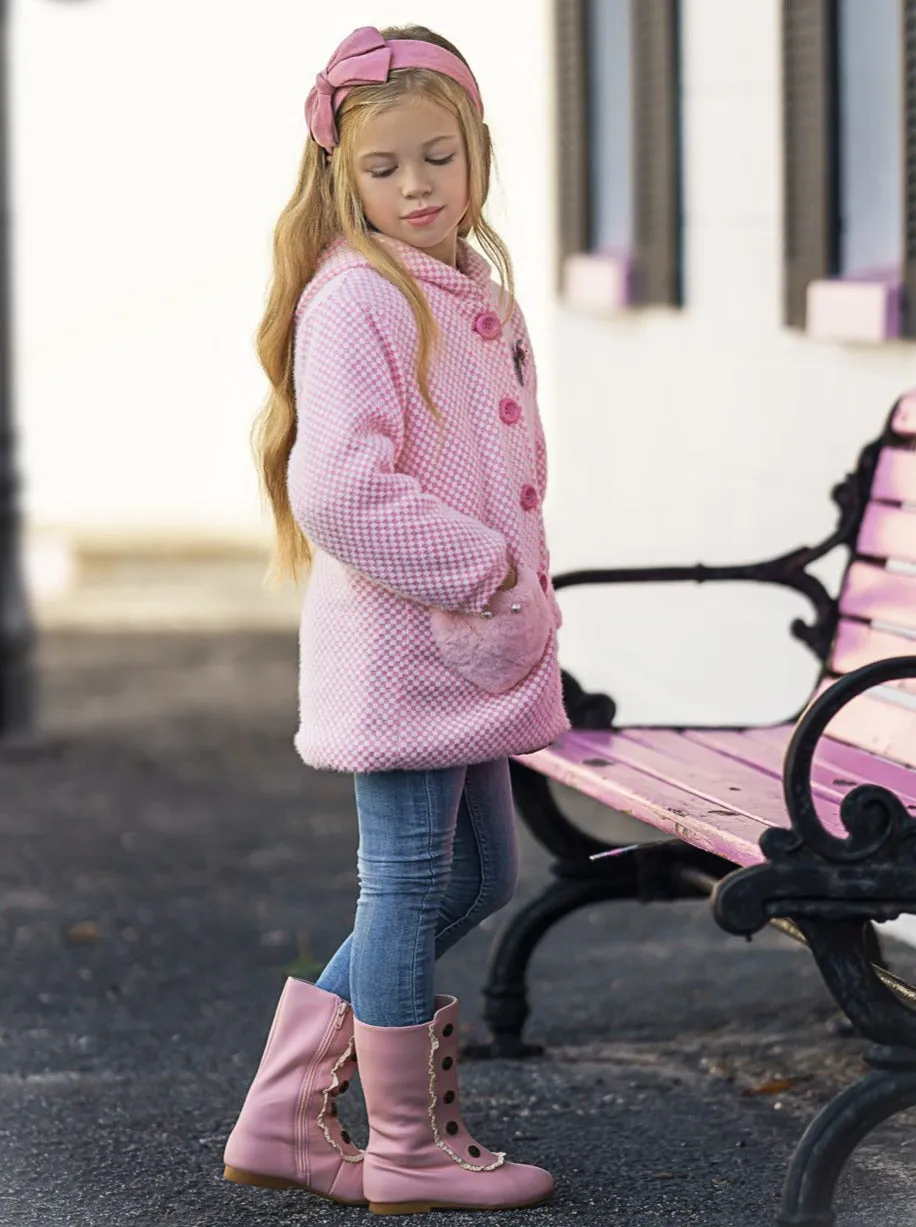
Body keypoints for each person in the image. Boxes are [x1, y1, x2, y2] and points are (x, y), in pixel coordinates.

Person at [222, 23, 569, 1215]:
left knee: (476, 876)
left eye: (439, 157)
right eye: (385, 168)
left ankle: (282, 1112)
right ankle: (407, 1147)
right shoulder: (360, 298)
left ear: (477, 154)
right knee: (412, 881)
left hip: (463, 654)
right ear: (339, 175)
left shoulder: (468, 288)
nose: (417, 186)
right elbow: (337, 488)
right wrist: (480, 570)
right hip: (411, 647)